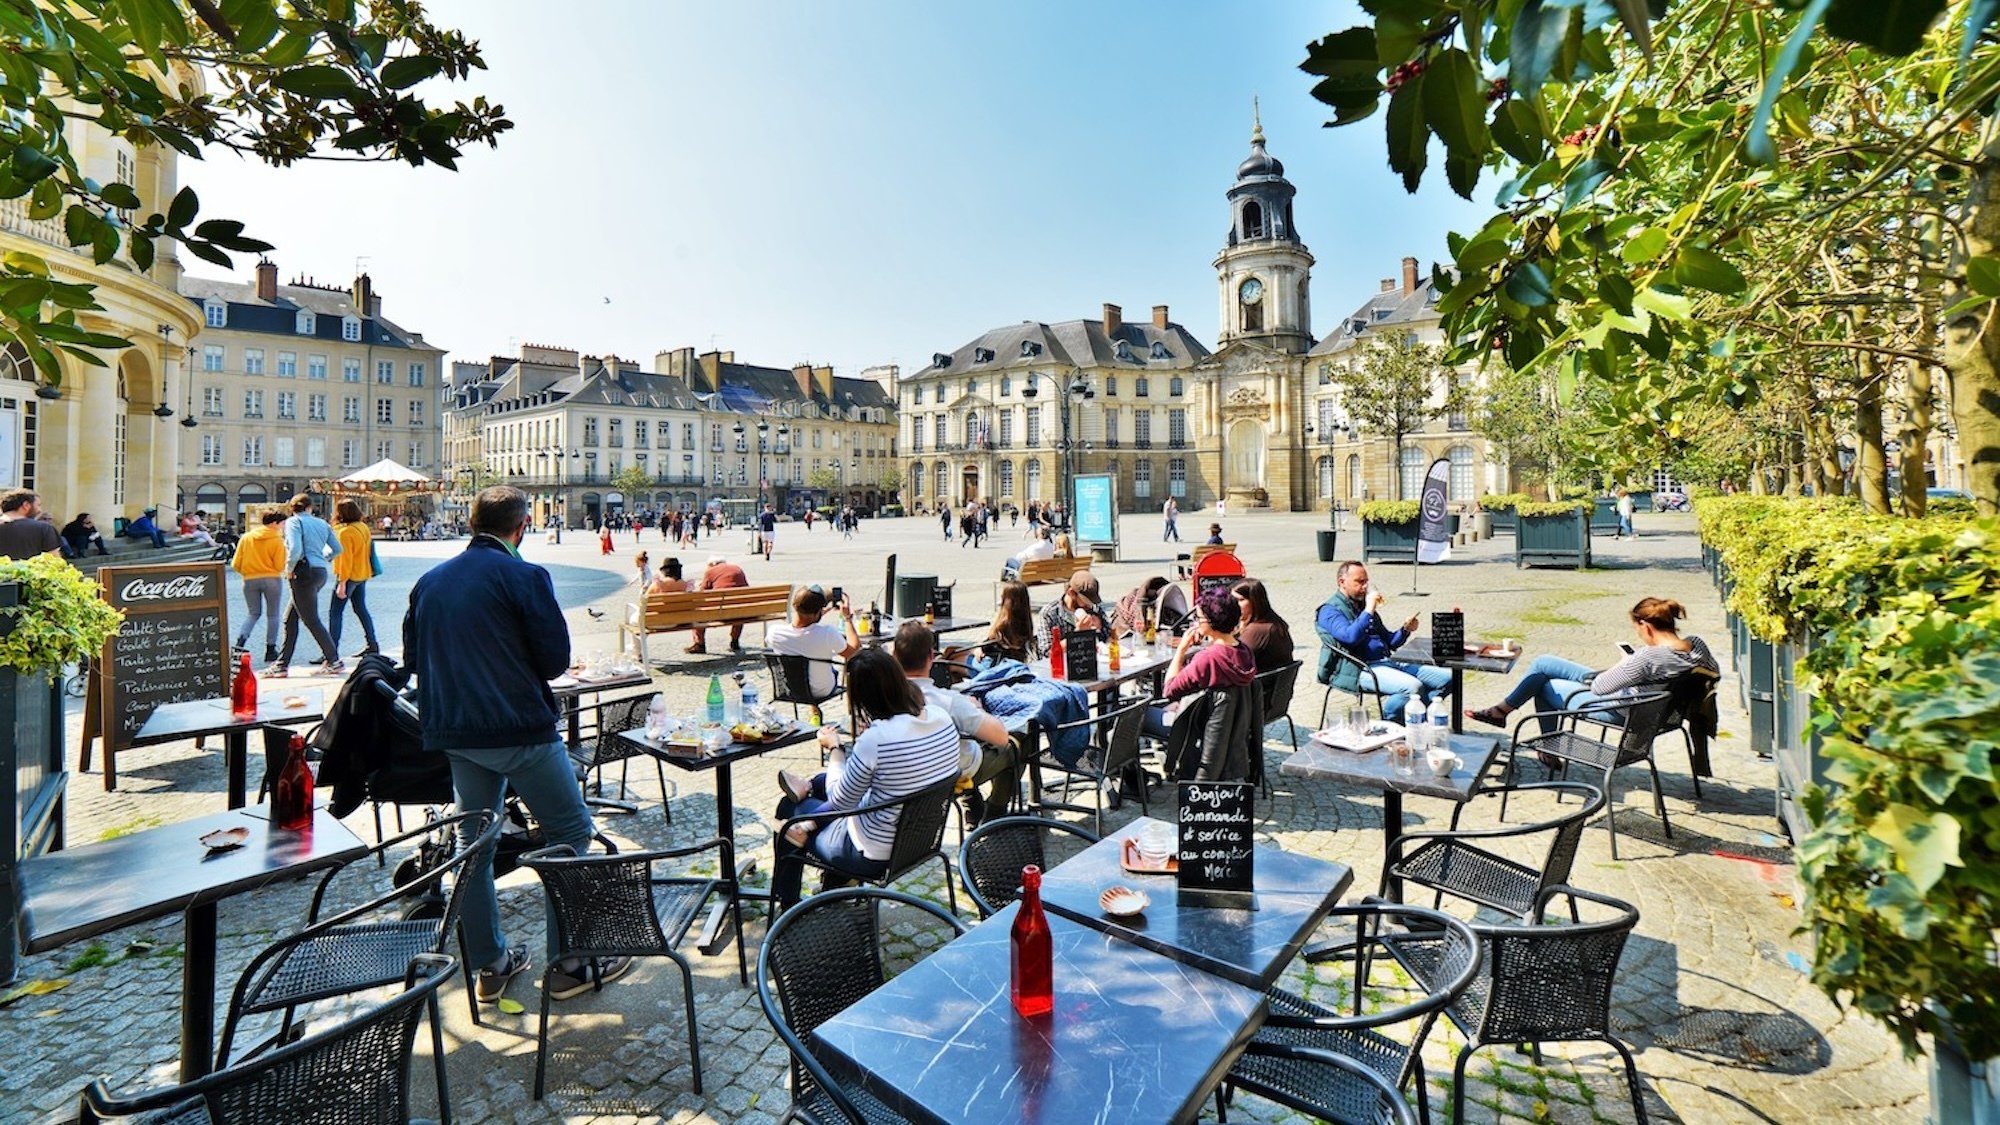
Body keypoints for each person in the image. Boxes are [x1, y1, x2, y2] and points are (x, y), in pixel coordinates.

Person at [404, 485, 622, 1004]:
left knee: (473, 845)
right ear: (521, 527)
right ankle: (571, 962)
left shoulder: (429, 581)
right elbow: (552, 662)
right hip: (517, 729)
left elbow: (413, 657)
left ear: (470, 523)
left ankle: (490, 964)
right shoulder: (525, 575)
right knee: (570, 833)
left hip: (456, 732)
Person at [769, 647, 962, 910]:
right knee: (822, 782)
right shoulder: (941, 717)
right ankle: (833, 886)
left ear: (861, 697)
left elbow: (840, 802)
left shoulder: (878, 739)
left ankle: (788, 903)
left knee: (790, 808)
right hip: (919, 842)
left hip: (871, 854)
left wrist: (835, 748)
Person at [1467, 597, 1718, 735]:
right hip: (1657, 710)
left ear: (1646, 626)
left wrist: (1626, 662)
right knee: (1544, 662)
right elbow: (1710, 672)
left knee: (1545, 685)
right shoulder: (1696, 645)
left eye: (1637, 629)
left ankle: (1542, 743)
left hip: (1623, 711)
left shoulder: (1647, 658)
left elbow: (1600, 687)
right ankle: (1502, 711)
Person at [891, 621, 1017, 827]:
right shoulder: (947, 701)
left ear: (894, 656)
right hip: (951, 776)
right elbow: (1000, 737)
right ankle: (995, 814)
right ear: (932, 657)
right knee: (1015, 743)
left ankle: (973, 806)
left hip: (912, 781)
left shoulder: (883, 698)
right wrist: (976, 708)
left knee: (965, 744)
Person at [1314, 560, 1450, 723]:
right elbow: (1350, 637)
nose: (1365, 587)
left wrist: (1405, 630)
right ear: (1342, 582)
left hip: (1388, 661)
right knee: (1413, 687)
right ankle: (1389, 722)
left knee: (1450, 677)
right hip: (1360, 668)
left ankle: (1415, 715)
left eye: (1366, 582)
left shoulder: (1361, 606)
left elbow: (1390, 642)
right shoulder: (1330, 610)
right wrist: (1369, 609)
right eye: (1359, 582)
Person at [1142, 587, 1257, 740]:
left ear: (1210, 622)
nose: (1195, 622)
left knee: (1136, 715)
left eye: (1198, 618)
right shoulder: (1244, 651)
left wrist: (1182, 649)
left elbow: (1169, 690)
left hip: (1195, 727)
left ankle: (1128, 761)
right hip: (1226, 728)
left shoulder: (1208, 658)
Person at [266, 494, 343, 678]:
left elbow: (295, 549)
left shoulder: (293, 523)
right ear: (310, 507)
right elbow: (338, 549)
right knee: (290, 618)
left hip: (302, 573)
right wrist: (324, 559)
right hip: (320, 572)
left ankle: (334, 660)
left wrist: (289, 568)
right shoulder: (322, 524)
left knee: (311, 619)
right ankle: (282, 664)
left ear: (292, 508)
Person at [767, 585, 861, 700]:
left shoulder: (774, 632)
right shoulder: (827, 633)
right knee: (826, 669)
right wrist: (847, 618)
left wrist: (816, 616)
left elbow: (800, 634)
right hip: (821, 691)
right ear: (818, 612)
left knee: (808, 662)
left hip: (791, 689)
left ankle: (814, 715)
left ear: (794, 606)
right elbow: (853, 651)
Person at [231, 507, 288, 663]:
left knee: (253, 613)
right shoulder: (277, 540)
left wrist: (248, 572)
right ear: (275, 523)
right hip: (272, 580)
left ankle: (240, 644)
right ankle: (270, 649)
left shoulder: (247, 537)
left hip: (250, 580)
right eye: (282, 523)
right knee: (273, 614)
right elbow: (279, 565)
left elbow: (236, 563)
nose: (283, 526)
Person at [327, 498, 381, 659]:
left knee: (335, 613)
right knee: (361, 609)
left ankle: (331, 651)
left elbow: (345, 559)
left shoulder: (344, 532)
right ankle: (372, 644)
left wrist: (342, 582)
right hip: (362, 574)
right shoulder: (363, 527)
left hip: (349, 576)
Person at [1035, 571, 1110, 655]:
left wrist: (1100, 627)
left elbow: (1110, 638)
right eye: (1085, 601)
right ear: (1071, 593)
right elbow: (1047, 652)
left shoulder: (1094, 608)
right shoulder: (1050, 613)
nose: (1089, 606)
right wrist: (1077, 633)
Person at [686, 553, 748, 654]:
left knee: (698, 613)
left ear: (713, 564)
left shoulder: (711, 571)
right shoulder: (737, 569)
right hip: (742, 611)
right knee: (737, 607)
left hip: (719, 612)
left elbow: (703, 594)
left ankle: (699, 644)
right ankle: (735, 640)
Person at [1232, 578, 1295, 672]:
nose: (1234, 604)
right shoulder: (1273, 621)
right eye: (1232, 600)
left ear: (1255, 601)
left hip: (1260, 683)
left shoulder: (1257, 630)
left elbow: (1234, 661)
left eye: (1240, 600)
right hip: (1274, 683)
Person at [971, 580, 1038, 666]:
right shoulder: (1026, 622)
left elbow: (988, 646)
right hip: (1014, 664)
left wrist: (976, 649)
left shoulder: (1005, 623)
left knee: (953, 656)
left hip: (994, 666)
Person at [0, 490, 62, 559]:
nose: (40, 510)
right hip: (34, 569)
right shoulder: (44, 528)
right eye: (38, 505)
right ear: (26, 505)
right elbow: (54, 560)